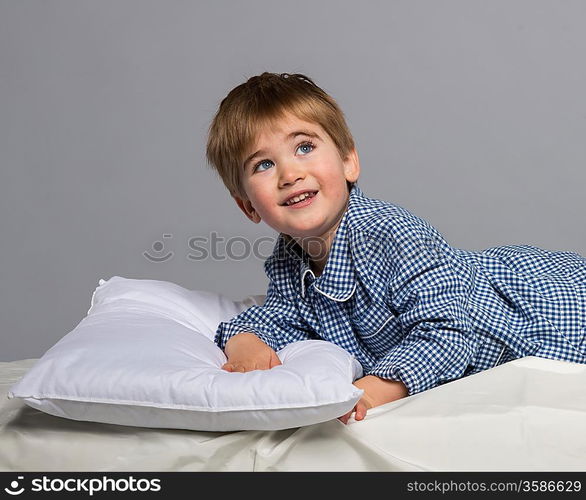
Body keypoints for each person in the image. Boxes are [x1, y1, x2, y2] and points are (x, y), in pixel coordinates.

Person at [205, 72, 586, 424]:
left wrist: (371, 391)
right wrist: (245, 342)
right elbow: (281, 316)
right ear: (248, 206)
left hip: (544, 313)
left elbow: (449, 335)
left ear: (348, 161)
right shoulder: (289, 260)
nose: (290, 174)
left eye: (304, 147)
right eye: (264, 165)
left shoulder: (392, 235)